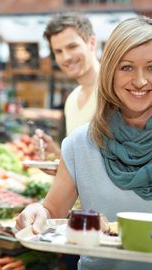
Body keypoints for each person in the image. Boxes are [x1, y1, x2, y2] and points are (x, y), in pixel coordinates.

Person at [17, 16, 152, 270]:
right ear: (110, 72)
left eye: (151, 67)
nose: (140, 81)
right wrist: (37, 212)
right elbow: (51, 211)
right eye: (126, 67)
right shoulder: (80, 144)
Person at [33, 13, 100, 160]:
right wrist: (55, 154)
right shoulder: (72, 99)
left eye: (72, 46)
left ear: (92, 43)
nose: (66, 57)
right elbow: (80, 162)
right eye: (58, 51)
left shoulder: (115, 91)